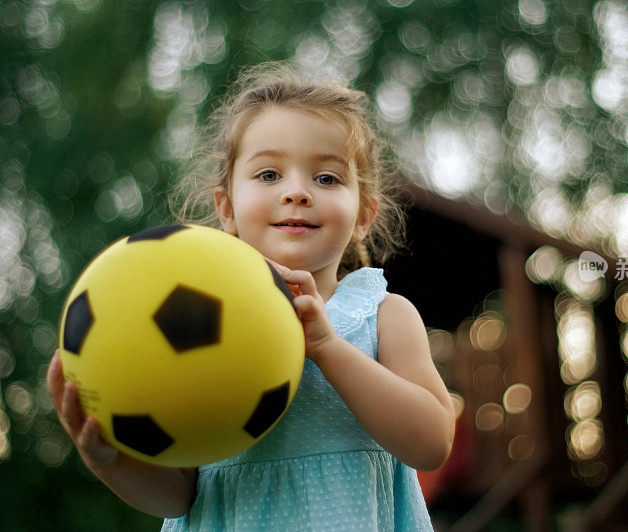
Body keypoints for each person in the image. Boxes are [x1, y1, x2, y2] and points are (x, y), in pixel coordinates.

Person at [47, 62, 455, 530]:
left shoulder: (382, 316)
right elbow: (178, 499)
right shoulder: (188, 325)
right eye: (268, 175)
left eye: (327, 178)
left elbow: (432, 443)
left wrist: (328, 347)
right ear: (227, 208)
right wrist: (110, 460)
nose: (297, 192)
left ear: (363, 214)